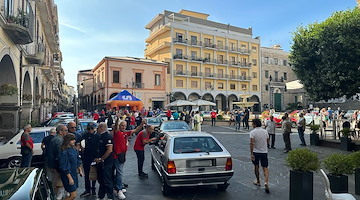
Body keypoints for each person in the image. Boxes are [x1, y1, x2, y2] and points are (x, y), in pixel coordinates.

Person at [112, 117, 145, 199]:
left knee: (118, 173)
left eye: (124, 126)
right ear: (119, 126)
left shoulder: (125, 134)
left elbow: (136, 130)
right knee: (119, 173)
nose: (123, 127)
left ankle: (117, 186)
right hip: (117, 156)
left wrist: (141, 124)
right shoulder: (117, 133)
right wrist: (117, 119)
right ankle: (118, 189)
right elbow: (116, 126)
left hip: (121, 156)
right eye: (122, 125)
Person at [59, 133, 83, 200]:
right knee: (73, 195)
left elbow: (77, 160)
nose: (74, 141)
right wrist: (69, 178)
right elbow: (64, 166)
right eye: (72, 140)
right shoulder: (64, 152)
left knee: (73, 193)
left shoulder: (74, 149)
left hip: (74, 173)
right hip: (68, 175)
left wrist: (80, 170)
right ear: (68, 141)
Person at [47, 124, 68, 200]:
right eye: (65, 130)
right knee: (59, 184)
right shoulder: (59, 140)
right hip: (57, 166)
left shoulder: (55, 139)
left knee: (57, 183)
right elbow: (60, 154)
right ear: (60, 131)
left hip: (54, 164)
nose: (66, 132)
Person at [78, 123, 99, 197]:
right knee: (86, 174)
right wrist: (81, 150)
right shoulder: (84, 135)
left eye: (92, 128)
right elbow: (80, 143)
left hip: (94, 157)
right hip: (86, 157)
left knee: (93, 174)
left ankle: (93, 188)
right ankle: (87, 189)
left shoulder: (97, 136)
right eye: (89, 129)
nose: (90, 130)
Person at [250, 118, 270, 194]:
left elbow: (252, 143)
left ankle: (258, 181)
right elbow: (268, 140)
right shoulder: (265, 131)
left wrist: (251, 153)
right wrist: (265, 145)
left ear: (254, 124)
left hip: (256, 151)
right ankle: (266, 182)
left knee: (256, 166)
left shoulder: (253, 132)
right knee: (265, 167)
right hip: (264, 151)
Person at [95, 122, 114, 200]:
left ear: (102, 128)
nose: (97, 130)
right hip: (100, 162)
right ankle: (101, 196)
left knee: (107, 179)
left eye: (98, 128)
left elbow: (109, 150)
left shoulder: (107, 137)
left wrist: (102, 159)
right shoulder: (100, 136)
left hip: (106, 162)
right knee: (101, 179)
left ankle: (110, 196)